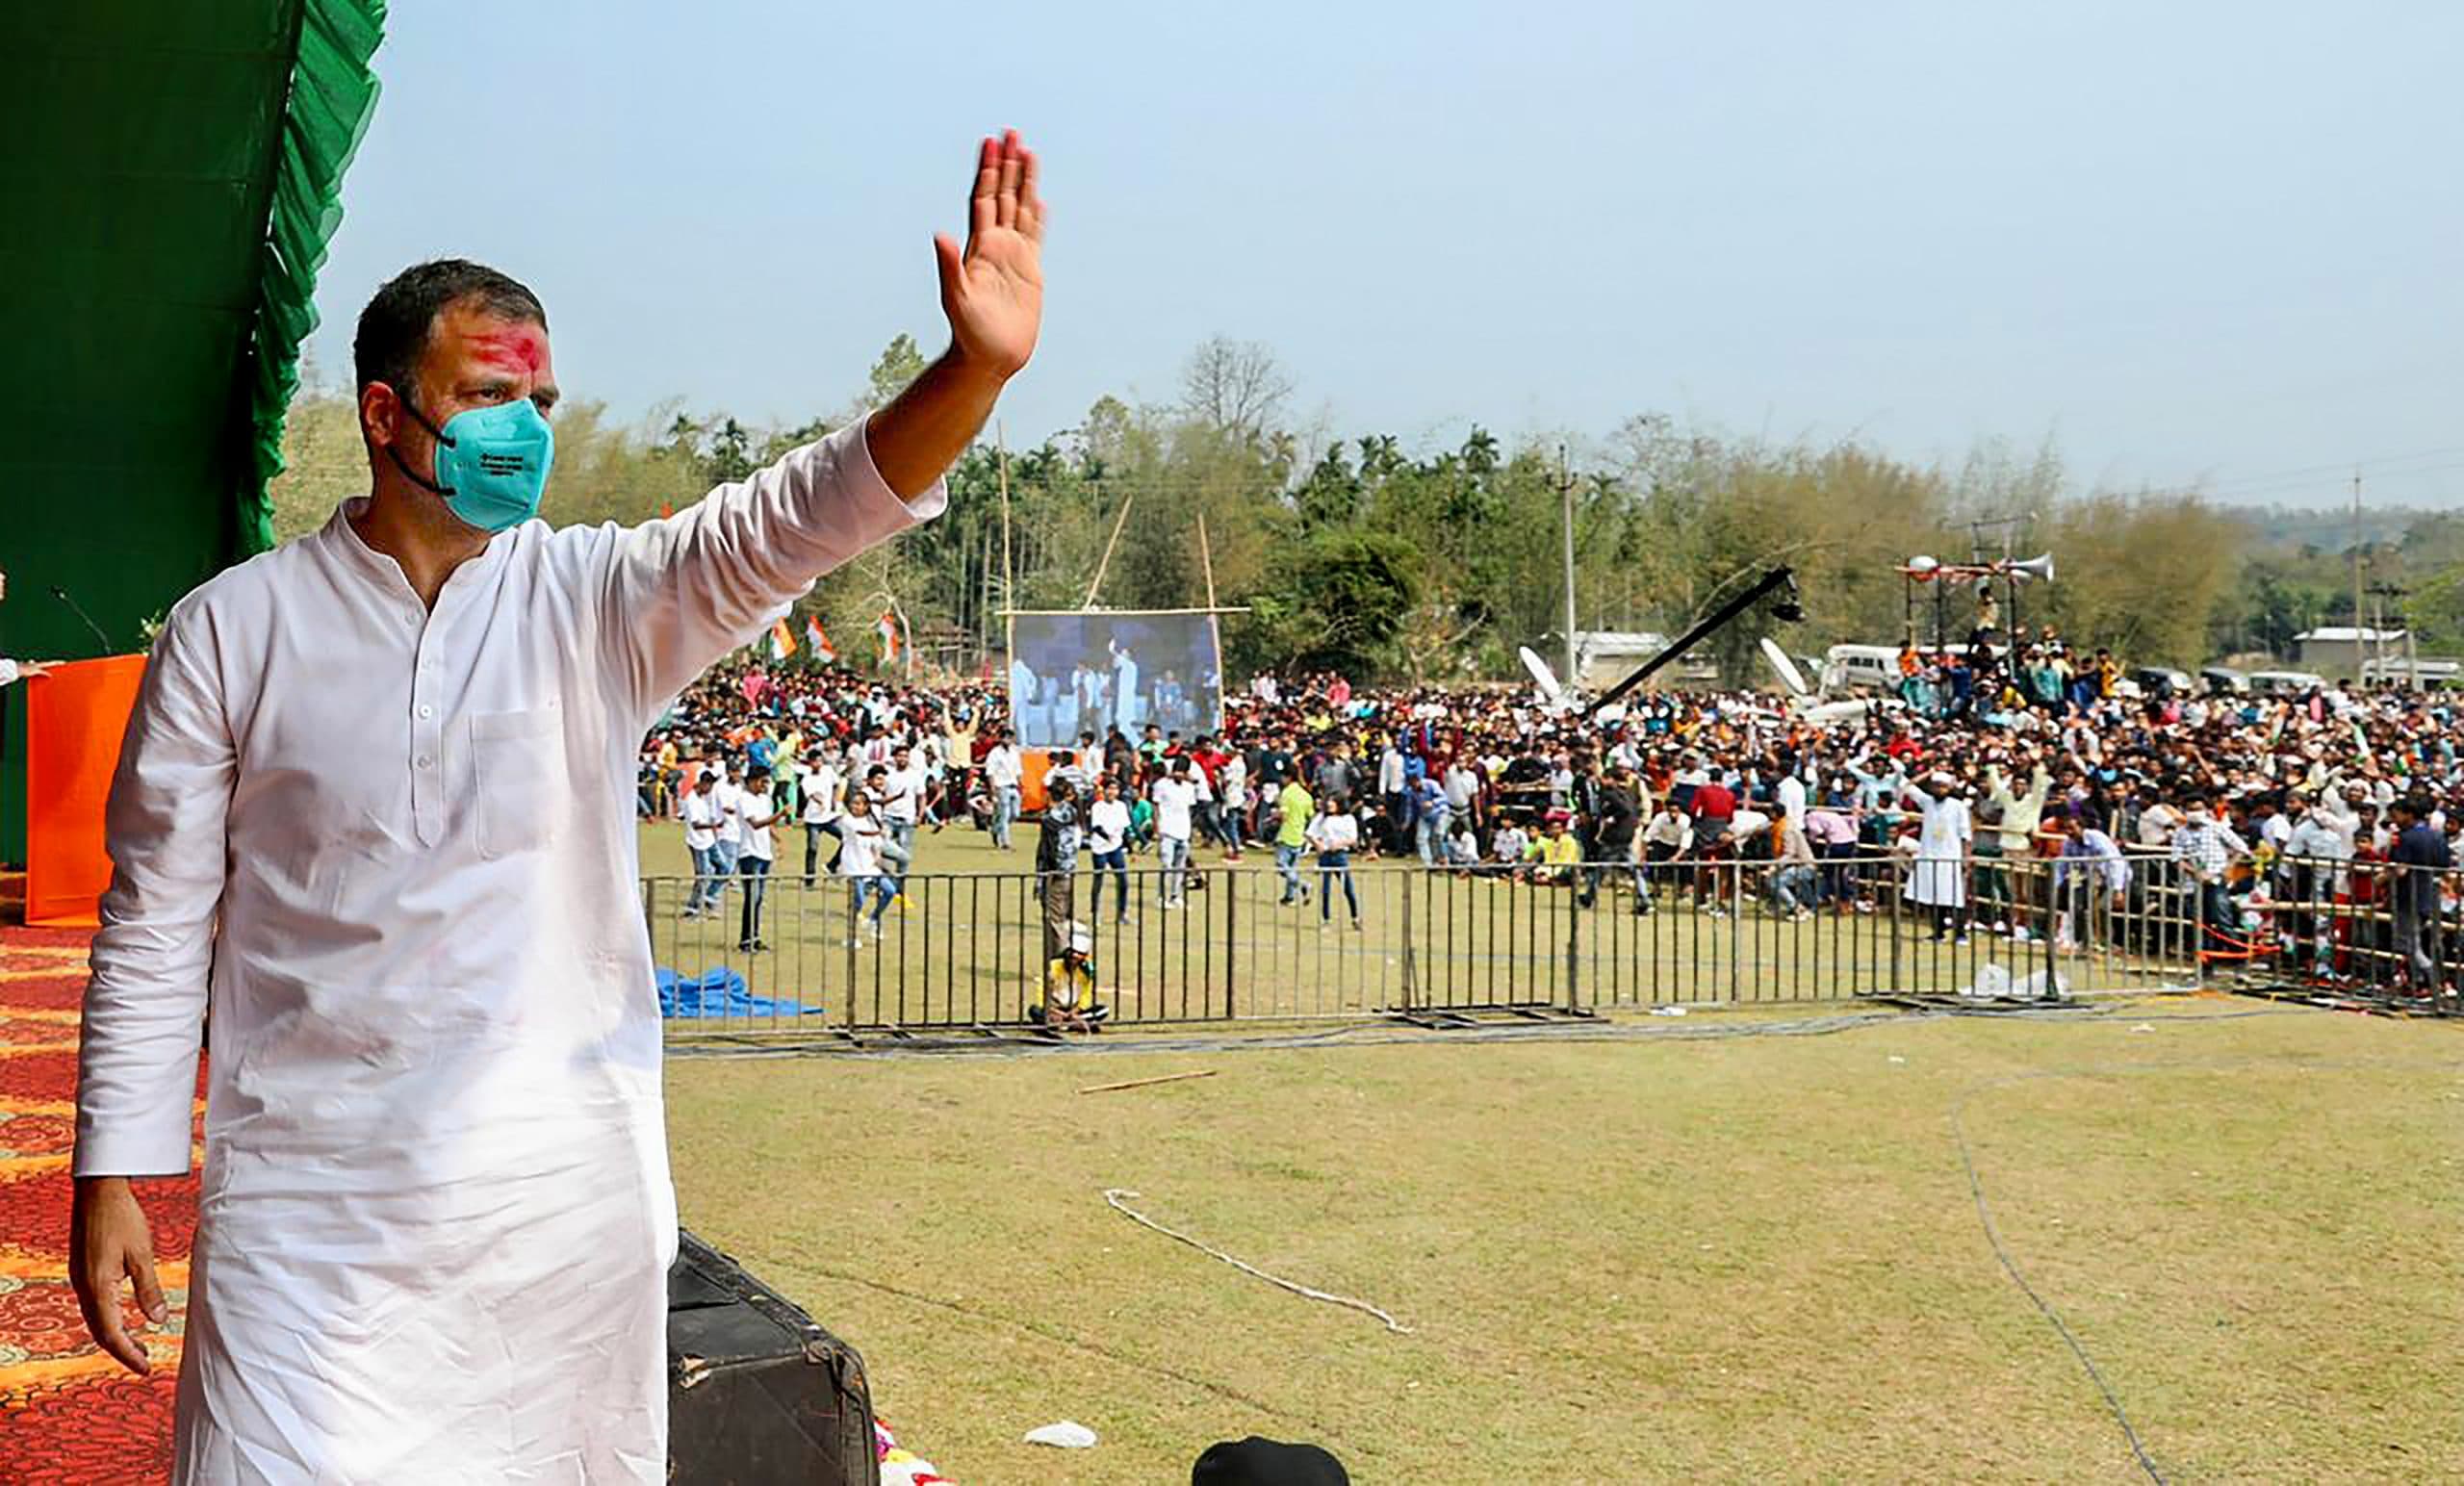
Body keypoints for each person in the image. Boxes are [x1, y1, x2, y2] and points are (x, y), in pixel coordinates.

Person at [69, 130, 1043, 1480]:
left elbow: (805, 514)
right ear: (381, 411)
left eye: (543, 399)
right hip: (308, 1223)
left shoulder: (595, 601)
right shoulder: (233, 629)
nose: (525, 431)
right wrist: (111, 1172)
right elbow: (156, 919)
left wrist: (972, 369)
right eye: (486, 394)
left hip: (553, 1219)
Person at [2388, 796, 2451, 1000]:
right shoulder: (2438, 837)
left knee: (2410, 945)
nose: (2394, 819)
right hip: (2431, 895)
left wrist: (2381, 877)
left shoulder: (2406, 838)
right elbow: (2444, 867)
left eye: (2397, 814)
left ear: (2408, 814)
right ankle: (2428, 983)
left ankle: (2432, 981)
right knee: (2428, 941)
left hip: (2410, 896)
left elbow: (2401, 871)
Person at [836, 790, 895, 948]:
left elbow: (876, 843)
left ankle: (873, 919)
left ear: (866, 806)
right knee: (859, 900)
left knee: (890, 891)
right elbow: (862, 833)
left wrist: (877, 856)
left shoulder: (870, 821)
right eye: (852, 803)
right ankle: (850, 935)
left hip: (869, 865)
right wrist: (880, 831)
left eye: (858, 803)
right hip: (853, 866)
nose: (854, 806)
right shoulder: (847, 819)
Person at [1037, 775, 1083, 967]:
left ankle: (1061, 961)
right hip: (1069, 868)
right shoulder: (1071, 812)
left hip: (1054, 872)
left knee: (1054, 920)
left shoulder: (1049, 819)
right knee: (1063, 915)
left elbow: (1049, 849)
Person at [1036, 921, 1110, 1033]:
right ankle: (1070, 1023)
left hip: (1075, 1011)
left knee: (1102, 1010)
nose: (1073, 960)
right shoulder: (1054, 966)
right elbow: (1042, 993)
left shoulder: (1087, 971)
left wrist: (1075, 1012)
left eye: (1077, 957)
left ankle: (1068, 1023)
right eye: (1071, 956)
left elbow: (1086, 995)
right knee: (1034, 1011)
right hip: (1054, 1009)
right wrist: (1055, 1011)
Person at [736, 774, 779, 951]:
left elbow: (767, 825)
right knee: (751, 897)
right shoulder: (744, 799)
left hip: (763, 853)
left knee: (759, 898)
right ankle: (746, 939)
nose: (765, 785)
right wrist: (780, 815)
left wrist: (778, 840)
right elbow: (755, 824)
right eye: (763, 781)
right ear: (752, 782)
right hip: (749, 853)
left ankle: (755, 936)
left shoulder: (765, 800)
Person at [1307, 793, 1363, 930]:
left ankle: (1355, 917)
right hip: (1325, 855)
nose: (1329, 804)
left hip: (1340, 855)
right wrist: (1317, 844)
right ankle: (1326, 919)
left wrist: (1339, 844)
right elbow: (1309, 833)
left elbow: (1352, 838)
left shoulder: (1348, 818)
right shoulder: (1322, 817)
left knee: (1348, 888)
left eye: (1333, 802)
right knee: (1325, 890)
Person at [1087, 776, 1133, 925]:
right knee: (1099, 881)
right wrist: (1108, 837)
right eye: (1109, 788)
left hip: (1115, 847)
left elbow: (1125, 827)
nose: (1112, 792)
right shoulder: (1097, 806)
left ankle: (1122, 914)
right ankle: (1095, 913)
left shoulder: (1121, 806)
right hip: (1100, 847)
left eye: (1115, 789)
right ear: (1104, 790)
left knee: (1123, 881)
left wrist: (1129, 843)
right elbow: (1096, 827)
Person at [1152, 756, 1197, 908]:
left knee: (1180, 866)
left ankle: (1175, 895)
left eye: (1182, 772)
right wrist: (1157, 830)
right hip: (1167, 830)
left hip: (1184, 831)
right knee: (1166, 865)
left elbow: (1189, 809)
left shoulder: (1189, 788)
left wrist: (1191, 831)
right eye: (1176, 771)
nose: (1178, 774)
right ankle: (1161, 897)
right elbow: (1156, 808)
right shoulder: (1161, 785)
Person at [680, 770, 723, 917]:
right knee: (702, 875)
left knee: (724, 868)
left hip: (709, 840)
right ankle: (692, 908)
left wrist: (714, 830)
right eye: (710, 785)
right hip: (697, 842)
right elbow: (696, 825)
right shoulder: (690, 800)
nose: (711, 789)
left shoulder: (703, 798)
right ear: (704, 783)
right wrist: (714, 826)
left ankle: (709, 896)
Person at [1273, 774, 1314, 905]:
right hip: (1299, 835)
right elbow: (1310, 816)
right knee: (1292, 867)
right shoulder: (1306, 795)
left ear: (1288, 777)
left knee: (1281, 865)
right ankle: (1289, 897)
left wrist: (1275, 815)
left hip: (1287, 834)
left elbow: (1284, 816)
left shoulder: (1286, 794)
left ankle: (1303, 884)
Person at [983, 727, 1023, 850]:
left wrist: (1020, 784)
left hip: (1013, 785)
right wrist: (993, 789)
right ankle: (1005, 842)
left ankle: (995, 829)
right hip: (1001, 786)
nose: (1008, 740)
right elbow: (990, 772)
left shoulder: (1015, 752)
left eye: (1010, 738)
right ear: (1000, 738)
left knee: (1015, 814)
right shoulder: (995, 753)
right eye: (1005, 737)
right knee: (1005, 814)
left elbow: (1018, 770)